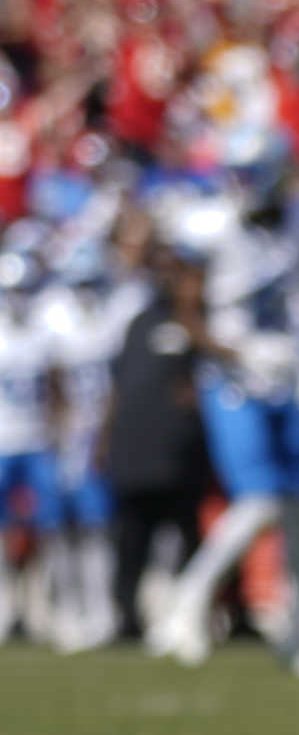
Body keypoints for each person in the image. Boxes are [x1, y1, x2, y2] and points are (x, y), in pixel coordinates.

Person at [151, 131, 299, 681]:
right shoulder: (210, 225)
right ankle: (188, 601)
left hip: (291, 376)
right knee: (260, 500)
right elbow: (186, 314)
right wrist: (240, 352)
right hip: (234, 380)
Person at [104, 243, 214, 643]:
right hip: (135, 450)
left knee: (188, 540)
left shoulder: (198, 322)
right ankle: (126, 619)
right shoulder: (138, 322)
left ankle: (190, 618)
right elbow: (117, 387)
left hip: (181, 453)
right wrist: (105, 441)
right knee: (131, 542)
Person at [40, 237, 137, 650]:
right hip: (64, 435)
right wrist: (59, 434)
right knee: (59, 527)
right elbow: (52, 383)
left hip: (102, 432)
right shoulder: (53, 316)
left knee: (98, 526)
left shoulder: (117, 312)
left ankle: (100, 608)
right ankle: (66, 608)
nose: (85, 292)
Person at [0, 251, 63, 645]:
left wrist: (60, 431)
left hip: (39, 439)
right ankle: (6, 605)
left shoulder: (45, 332)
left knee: (50, 526)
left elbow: (59, 389)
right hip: (2, 442)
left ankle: (45, 604)